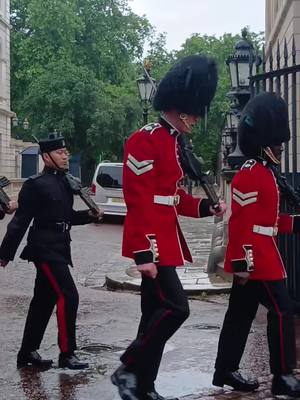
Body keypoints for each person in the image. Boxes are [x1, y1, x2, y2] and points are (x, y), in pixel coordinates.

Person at [111, 55, 226, 400]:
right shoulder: (146, 138)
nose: (196, 119)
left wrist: (206, 206)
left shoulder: (175, 141)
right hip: (154, 245)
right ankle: (128, 367)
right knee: (176, 308)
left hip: (167, 239)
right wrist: (143, 252)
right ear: (179, 108)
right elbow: (139, 199)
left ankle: (143, 386)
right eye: (193, 113)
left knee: (152, 317)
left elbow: (172, 198)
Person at [213, 92, 300, 398]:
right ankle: (283, 377)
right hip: (256, 260)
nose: (280, 147)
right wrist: (243, 264)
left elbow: (270, 221)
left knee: (239, 314)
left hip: (263, 254)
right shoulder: (250, 174)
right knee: (283, 310)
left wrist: (295, 222)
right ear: (264, 142)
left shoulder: (265, 173)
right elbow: (241, 225)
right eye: (277, 143)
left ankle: (225, 369)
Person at [0, 133, 102, 370]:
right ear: (46, 157)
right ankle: (67, 354)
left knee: (43, 301)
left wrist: (89, 215)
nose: (65, 156)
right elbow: (20, 221)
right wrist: (4, 254)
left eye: (65, 152)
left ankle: (27, 353)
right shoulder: (34, 185)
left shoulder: (66, 182)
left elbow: (67, 218)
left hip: (61, 246)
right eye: (59, 152)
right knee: (69, 295)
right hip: (43, 248)